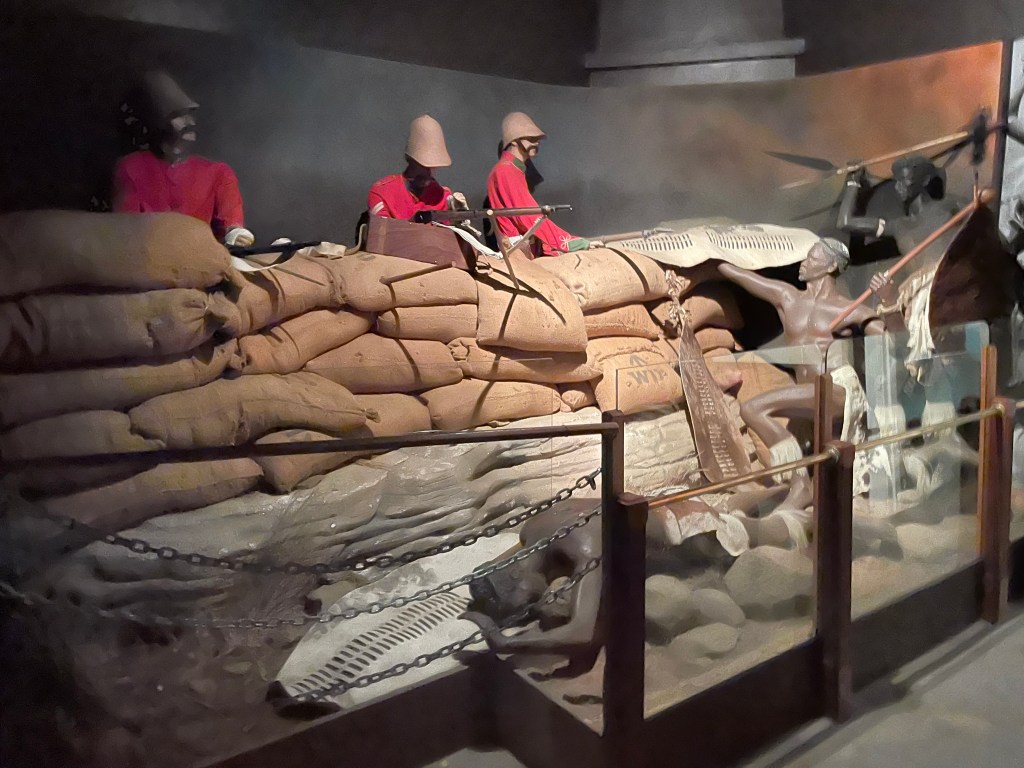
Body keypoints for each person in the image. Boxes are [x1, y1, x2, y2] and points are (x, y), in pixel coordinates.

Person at [716, 238, 886, 520]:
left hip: (837, 389)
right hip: (808, 392)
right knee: (824, 463)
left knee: (753, 408)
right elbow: (739, 275)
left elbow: (892, 339)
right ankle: (805, 487)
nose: (804, 263)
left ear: (831, 266)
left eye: (812, 258)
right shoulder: (788, 297)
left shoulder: (850, 309)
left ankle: (800, 485)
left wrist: (887, 300)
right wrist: (708, 252)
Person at [113, 70, 253, 246]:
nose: (190, 122)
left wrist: (236, 234)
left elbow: (232, 226)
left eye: (190, 114)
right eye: (179, 115)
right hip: (150, 257)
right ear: (158, 121)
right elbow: (126, 228)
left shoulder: (219, 173)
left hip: (203, 258)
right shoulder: (132, 167)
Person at [486, 111, 597, 258]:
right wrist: (570, 242)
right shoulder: (505, 170)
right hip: (519, 252)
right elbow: (528, 216)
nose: (536, 143)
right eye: (531, 139)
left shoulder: (513, 169)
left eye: (537, 139)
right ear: (514, 141)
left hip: (529, 246)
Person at [367, 114, 467, 220]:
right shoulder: (383, 193)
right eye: (423, 165)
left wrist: (457, 217)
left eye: (434, 166)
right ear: (411, 160)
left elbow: (449, 228)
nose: (429, 173)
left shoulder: (442, 197)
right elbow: (382, 229)